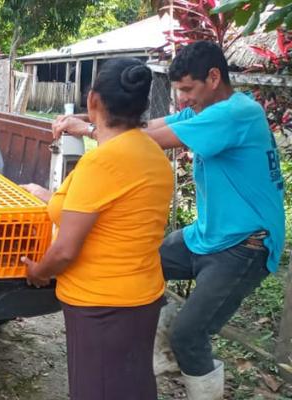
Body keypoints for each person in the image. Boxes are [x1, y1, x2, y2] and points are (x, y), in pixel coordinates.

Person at [54, 41, 286, 400]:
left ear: (213, 78)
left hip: (245, 245)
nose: (183, 99)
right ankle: (152, 349)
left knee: (189, 335)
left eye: (187, 90)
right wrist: (87, 119)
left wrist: (86, 128)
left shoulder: (237, 113)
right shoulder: (205, 110)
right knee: (138, 267)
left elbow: (138, 139)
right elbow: (138, 125)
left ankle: (180, 362)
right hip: (205, 236)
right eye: (178, 91)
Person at [22, 58, 174, 399]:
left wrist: (39, 271)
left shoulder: (102, 161)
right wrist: (46, 197)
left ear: (92, 101)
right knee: (132, 386)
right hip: (142, 297)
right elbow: (108, 211)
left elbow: (65, 251)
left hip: (102, 306)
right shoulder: (151, 152)